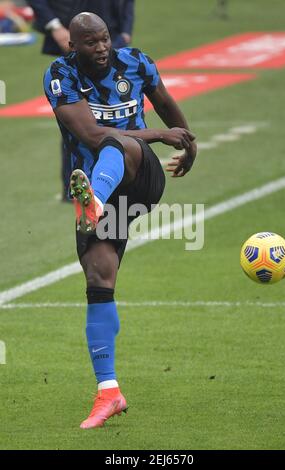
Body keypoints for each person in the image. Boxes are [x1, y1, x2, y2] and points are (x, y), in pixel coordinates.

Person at [44, 12, 197, 429]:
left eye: (105, 39)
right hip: (103, 192)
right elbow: (90, 136)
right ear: (73, 46)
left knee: (122, 141)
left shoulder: (137, 63)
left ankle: (92, 198)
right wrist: (161, 134)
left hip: (141, 177)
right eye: (91, 43)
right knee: (99, 279)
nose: (101, 48)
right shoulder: (60, 75)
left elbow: (166, 105)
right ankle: (108, 391)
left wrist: (187, 142)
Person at [28, 0, 135, 200]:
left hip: (113, 33)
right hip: (77, 38)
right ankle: (77, 187)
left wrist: (126, 29)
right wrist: (55, 25)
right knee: (77, 120)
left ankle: (109, 183)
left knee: (114, 112)